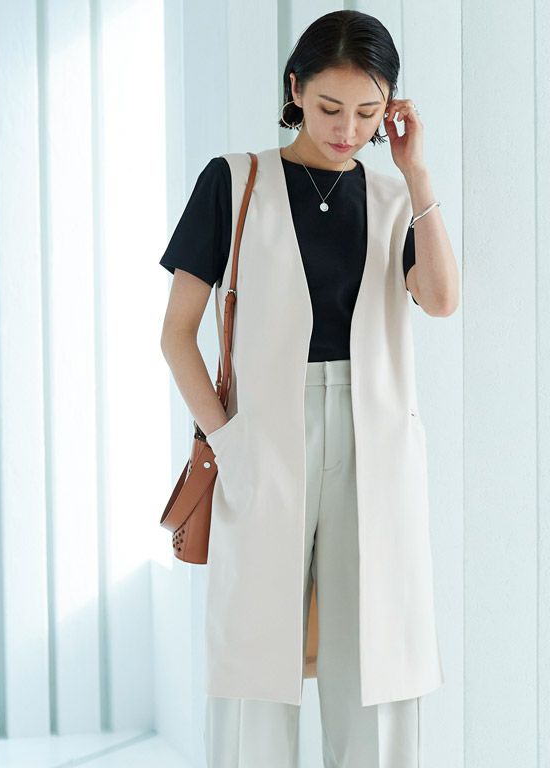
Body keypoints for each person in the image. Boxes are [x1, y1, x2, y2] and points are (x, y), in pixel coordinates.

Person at [159, 9, 458, 768]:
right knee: (256, 654)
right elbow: (176, 334)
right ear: (295, 89)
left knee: (378, 652)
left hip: (375, 437)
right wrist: (229, 442)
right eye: (329, 107)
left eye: (368, 111)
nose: (347, 130)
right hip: (264, 433)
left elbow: (441, 299)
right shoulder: (234, 181)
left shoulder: (393, 198)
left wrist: (418, 175)